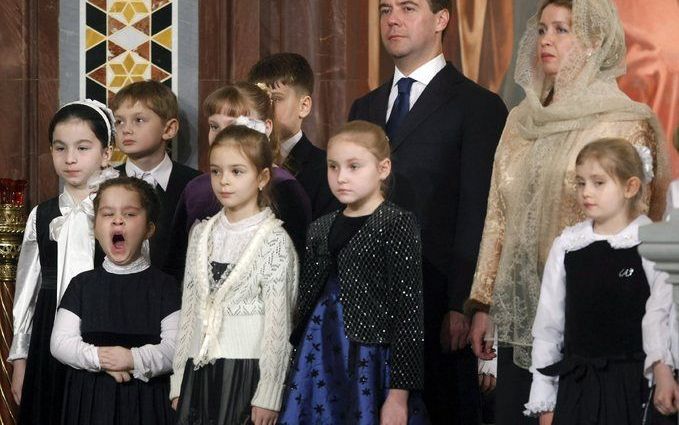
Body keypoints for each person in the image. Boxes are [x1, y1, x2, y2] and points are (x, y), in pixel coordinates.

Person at [466, 0, 669, 423]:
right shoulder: (522, 120)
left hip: (594, 325)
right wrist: (483, 302)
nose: (546, 40)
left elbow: (641, 225)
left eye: (562, 30)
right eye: (541, 30)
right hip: (521, 311)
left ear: (596, 41)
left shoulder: (624, 122)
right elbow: (497, 213)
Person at [348, 0, 508, 422]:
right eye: (385, 10)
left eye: (407, 8)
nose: (393, 19)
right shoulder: (364, 108)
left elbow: (479, 211)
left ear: (441, 20)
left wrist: (462, 304)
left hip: (438, 305)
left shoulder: (479, 106)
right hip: (368, 308)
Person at [277, 121, 426, 424]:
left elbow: (408, 314)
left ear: (383, 169)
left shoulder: (396, 224)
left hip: (370, 359)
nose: (341, 177)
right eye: (333, 167)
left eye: (354, 166)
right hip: (317, 355)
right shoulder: (319, 227)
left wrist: (399, 395)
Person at [525, 138, 669, 425]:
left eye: (598, 183)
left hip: (633, 390)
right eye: (581, 183)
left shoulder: (653, 244)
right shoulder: (568, 245)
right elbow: (548, 328)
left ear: (630, 187)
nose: (586, 192)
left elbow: (664, 320)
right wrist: (545, 401)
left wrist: (663, 378)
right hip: (576, 388)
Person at [170, 125, 298, 425]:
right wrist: (179, 378)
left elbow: (279, 325)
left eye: (237, 172)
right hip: (198, 370)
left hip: (247, 373)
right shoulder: (201, 234)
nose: (224, 181)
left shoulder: (274, 241)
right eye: (216, 171)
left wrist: (269, 392)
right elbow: (189, 309)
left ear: (262, 177)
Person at [9, 100, 117, 425]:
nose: (70, 158)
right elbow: (26, 296)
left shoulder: (120, 211)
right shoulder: (40, 216)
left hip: (105, 334)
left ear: (106, 153)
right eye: (60, 148)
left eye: (83, 148)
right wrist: (20, 359)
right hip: (47, 334)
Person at [50, 176, 180, 425]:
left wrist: (132, 359)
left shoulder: (165, 286)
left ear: (149, 229)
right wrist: (102, 358)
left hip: (148, 403)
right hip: (89, 401)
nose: (117, 220)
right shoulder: (82, 285)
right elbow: (60, 343)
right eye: (107, 214)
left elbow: (175, 348)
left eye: (130, 214)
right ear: (95, 227)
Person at [164, 82, 311, 281]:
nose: (222, 135)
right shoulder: (195, 188)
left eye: (234, 126)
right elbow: (176, 264)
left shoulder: (284, 188)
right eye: (214, 126)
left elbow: (295, 271)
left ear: (266, 127)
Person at [110, 80, 201, 268]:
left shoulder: (196, 185)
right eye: (119, 121)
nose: (126, 129)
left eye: (139, 120)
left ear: (169, 129)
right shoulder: (106, 183)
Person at [248, 52, 340, 219]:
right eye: (259, 100)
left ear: (304, 106)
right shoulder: (240, 160)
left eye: (275, 99)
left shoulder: (325, 170)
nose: (265, 108)